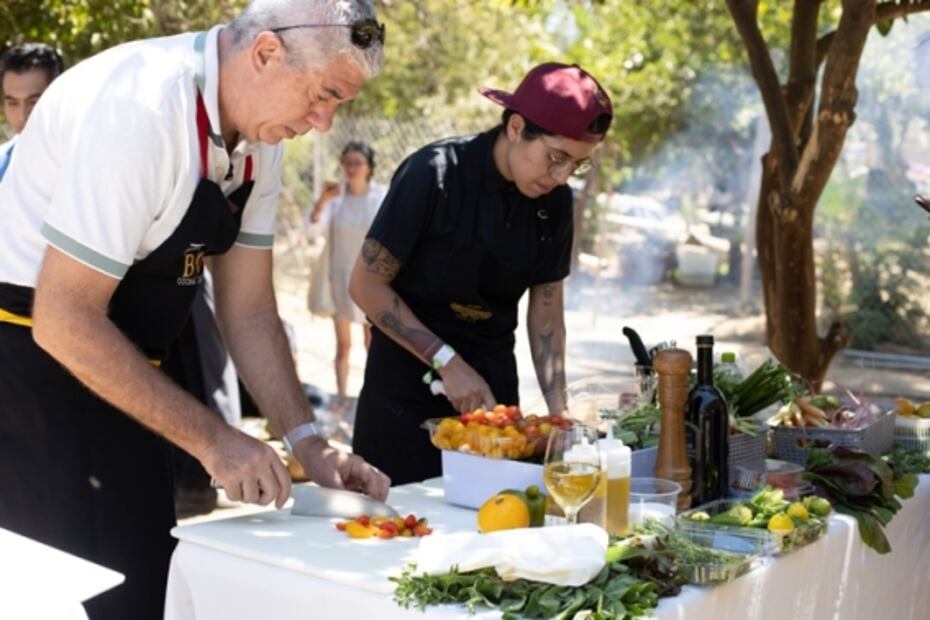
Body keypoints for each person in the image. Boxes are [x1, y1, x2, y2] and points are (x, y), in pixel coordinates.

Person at [0, 1, 388, 619]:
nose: (323, 122)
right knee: (71, 597)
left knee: (149, 579)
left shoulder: (261, 136)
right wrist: (216, 440)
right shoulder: (142, 108)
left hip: (131, 371)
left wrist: (309, 443)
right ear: (265, 53)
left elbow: (251, 309)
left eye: (338, 104)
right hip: (35, 370)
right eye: (323, 95)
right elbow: (64, 318)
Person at [349, 63, 613, 484]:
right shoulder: (433, 174)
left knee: (490, 535)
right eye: (556, 157)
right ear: (515, 127)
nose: (562, 177)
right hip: (401, 395)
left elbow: (546, 315)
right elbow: (366, 284)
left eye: (577, 165)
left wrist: (559, 413)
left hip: (494, 402)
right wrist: (447, 362)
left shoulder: (556, 205)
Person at [307, 141, 385, 408]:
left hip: (370, 279)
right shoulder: (335, 199)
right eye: (347, 163)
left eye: (357, 163)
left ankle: (372, 398)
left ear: (369, 167)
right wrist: (322, 201)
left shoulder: (381, 197)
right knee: (343, 344)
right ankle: (341, 397)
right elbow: (312, 232)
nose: (352, 169)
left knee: (372, 342)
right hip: (339, 277)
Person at [0, 43, 63, 182]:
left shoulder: (83, 163)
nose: (22, 116)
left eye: (33, 102)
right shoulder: (2, 164)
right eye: (12, 103)